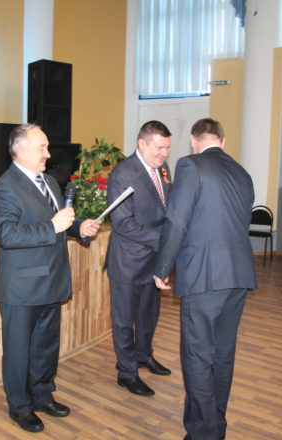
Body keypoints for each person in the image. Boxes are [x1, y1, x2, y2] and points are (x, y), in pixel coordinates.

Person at [0, 123, 100, 433]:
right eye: (42, 148)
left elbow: (60, 220)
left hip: (52, 280)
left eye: (47, 147)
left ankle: (42, 395)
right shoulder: (4, 187)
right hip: (22, 287)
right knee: (19, 351)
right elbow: (7, 234)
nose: (49, 154)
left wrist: (79, 227)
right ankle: (20, 407)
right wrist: (53, 226)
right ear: (21, 150)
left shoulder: (49, 181)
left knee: (46, 347)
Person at [153, 118, 256, 440]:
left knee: (198, 355)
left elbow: (177, 220)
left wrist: (162, 267)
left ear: (194, 141)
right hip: (239, 275)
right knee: (222, 354)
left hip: (204, 274)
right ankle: (216, 426)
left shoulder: (191, 165)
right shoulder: (242, 173)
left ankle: (203, 434)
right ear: (222, 141)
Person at [105, 120, 173, 397]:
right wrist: (165, 239)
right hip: (128, 261)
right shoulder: (123, 173)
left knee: (148, 315)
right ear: (141, 143)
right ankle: (127, 372)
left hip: (154, 259)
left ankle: (144, 355)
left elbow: (167, 209)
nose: (164, 154)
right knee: (124, 320)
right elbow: (123, 223)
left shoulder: (164, 169)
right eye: (159, 148)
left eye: (167, 148)